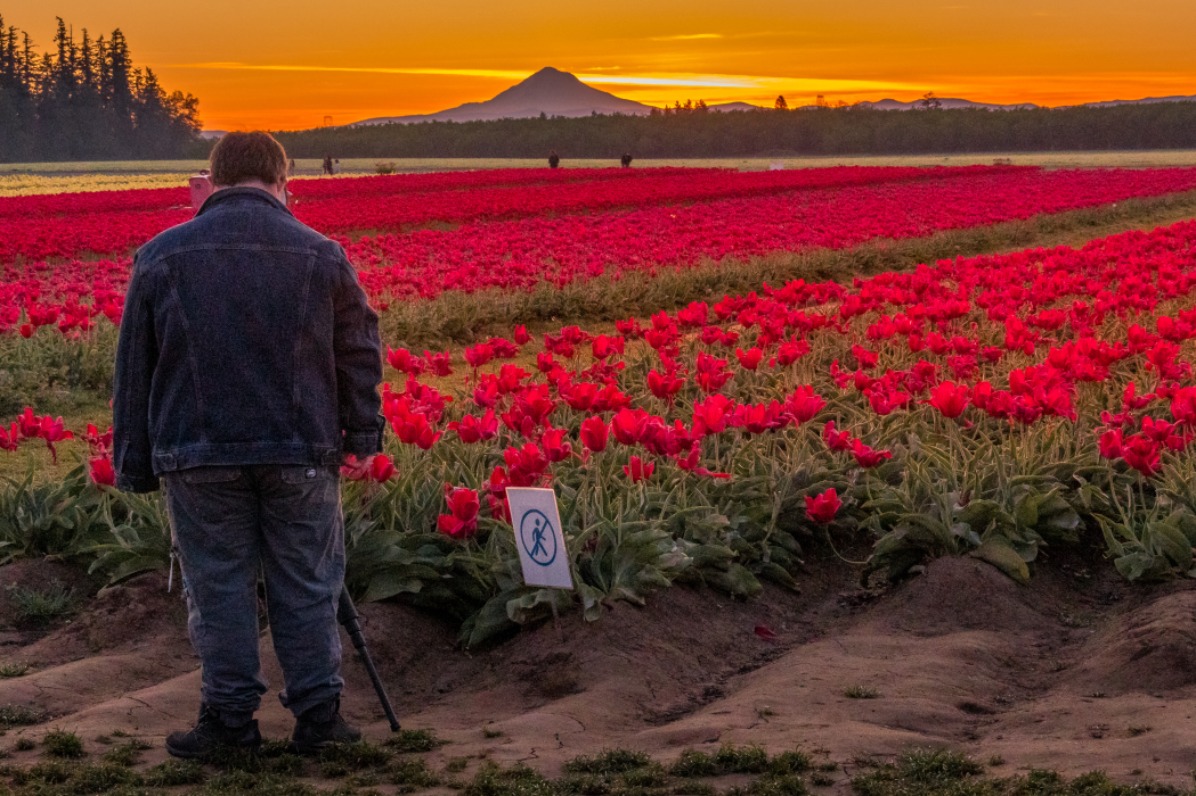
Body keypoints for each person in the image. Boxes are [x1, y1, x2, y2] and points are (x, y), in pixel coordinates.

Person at [113, 131, 384, 759]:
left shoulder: (160, 255)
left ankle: (230, 724)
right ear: (281, 180)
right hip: (301, 452)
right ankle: (319, 720)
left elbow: (133, 369)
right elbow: (360, 350)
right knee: (309, 583)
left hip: (199, 453)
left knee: (220, 588)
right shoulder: (321, 253)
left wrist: (135, 463)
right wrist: (362, 433)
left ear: (214, 177)